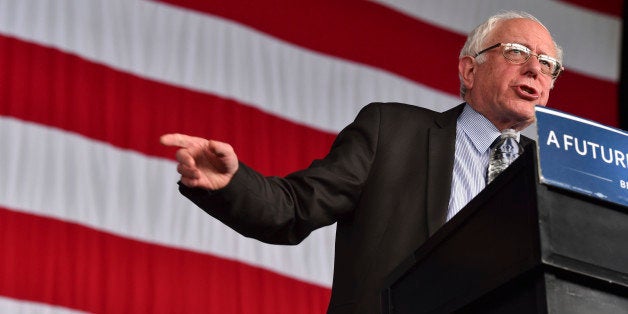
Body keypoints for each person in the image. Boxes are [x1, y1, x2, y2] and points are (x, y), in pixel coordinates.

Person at [160, 11, 563, 314]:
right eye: (517, 52)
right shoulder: (392, 132)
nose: (535, 69)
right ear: (469, 69)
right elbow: (293, 209)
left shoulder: (553, 175)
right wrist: (231, 183)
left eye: (547, 64)